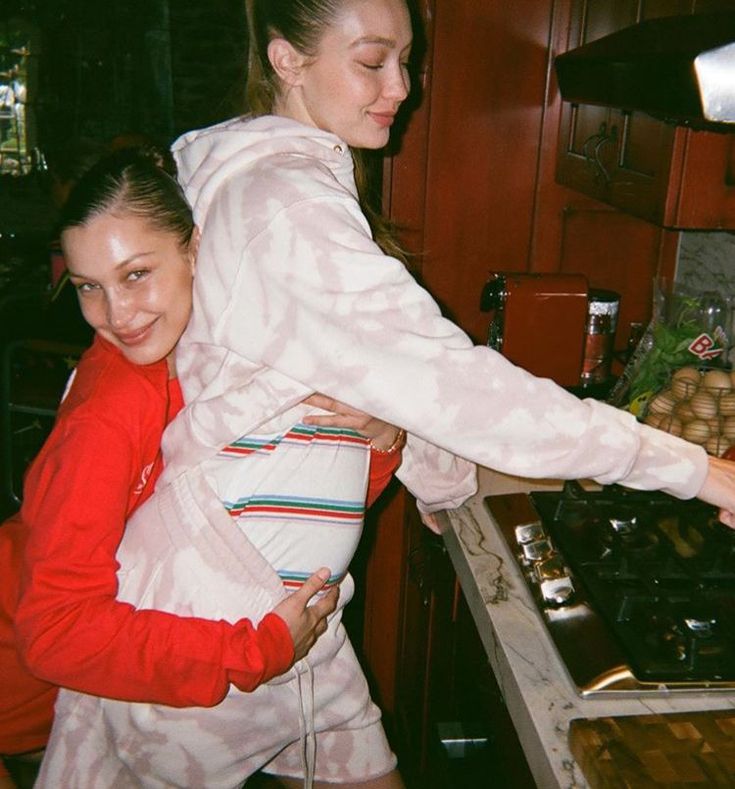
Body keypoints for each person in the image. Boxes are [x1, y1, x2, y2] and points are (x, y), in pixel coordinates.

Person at [30, 0, 735, 787]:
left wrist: (423, 463)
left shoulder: (273, 181)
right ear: (287, 61)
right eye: (371, 61)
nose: (401, 87)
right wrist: (696, 470)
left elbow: (368, 373)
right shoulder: (284, 207)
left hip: (292, 606)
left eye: (406, 60)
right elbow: (451, 383)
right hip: (219, 615)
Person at [4, 148, 403, 787]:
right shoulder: (111, 409)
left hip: (173, 654)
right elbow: (54, 632)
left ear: (195, 249)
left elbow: (288, 492)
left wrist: (378, 442)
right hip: (33, 690)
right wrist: (254, 651)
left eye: (135, 274)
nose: (116, 315)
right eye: (89, 288)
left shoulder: (217, 351)